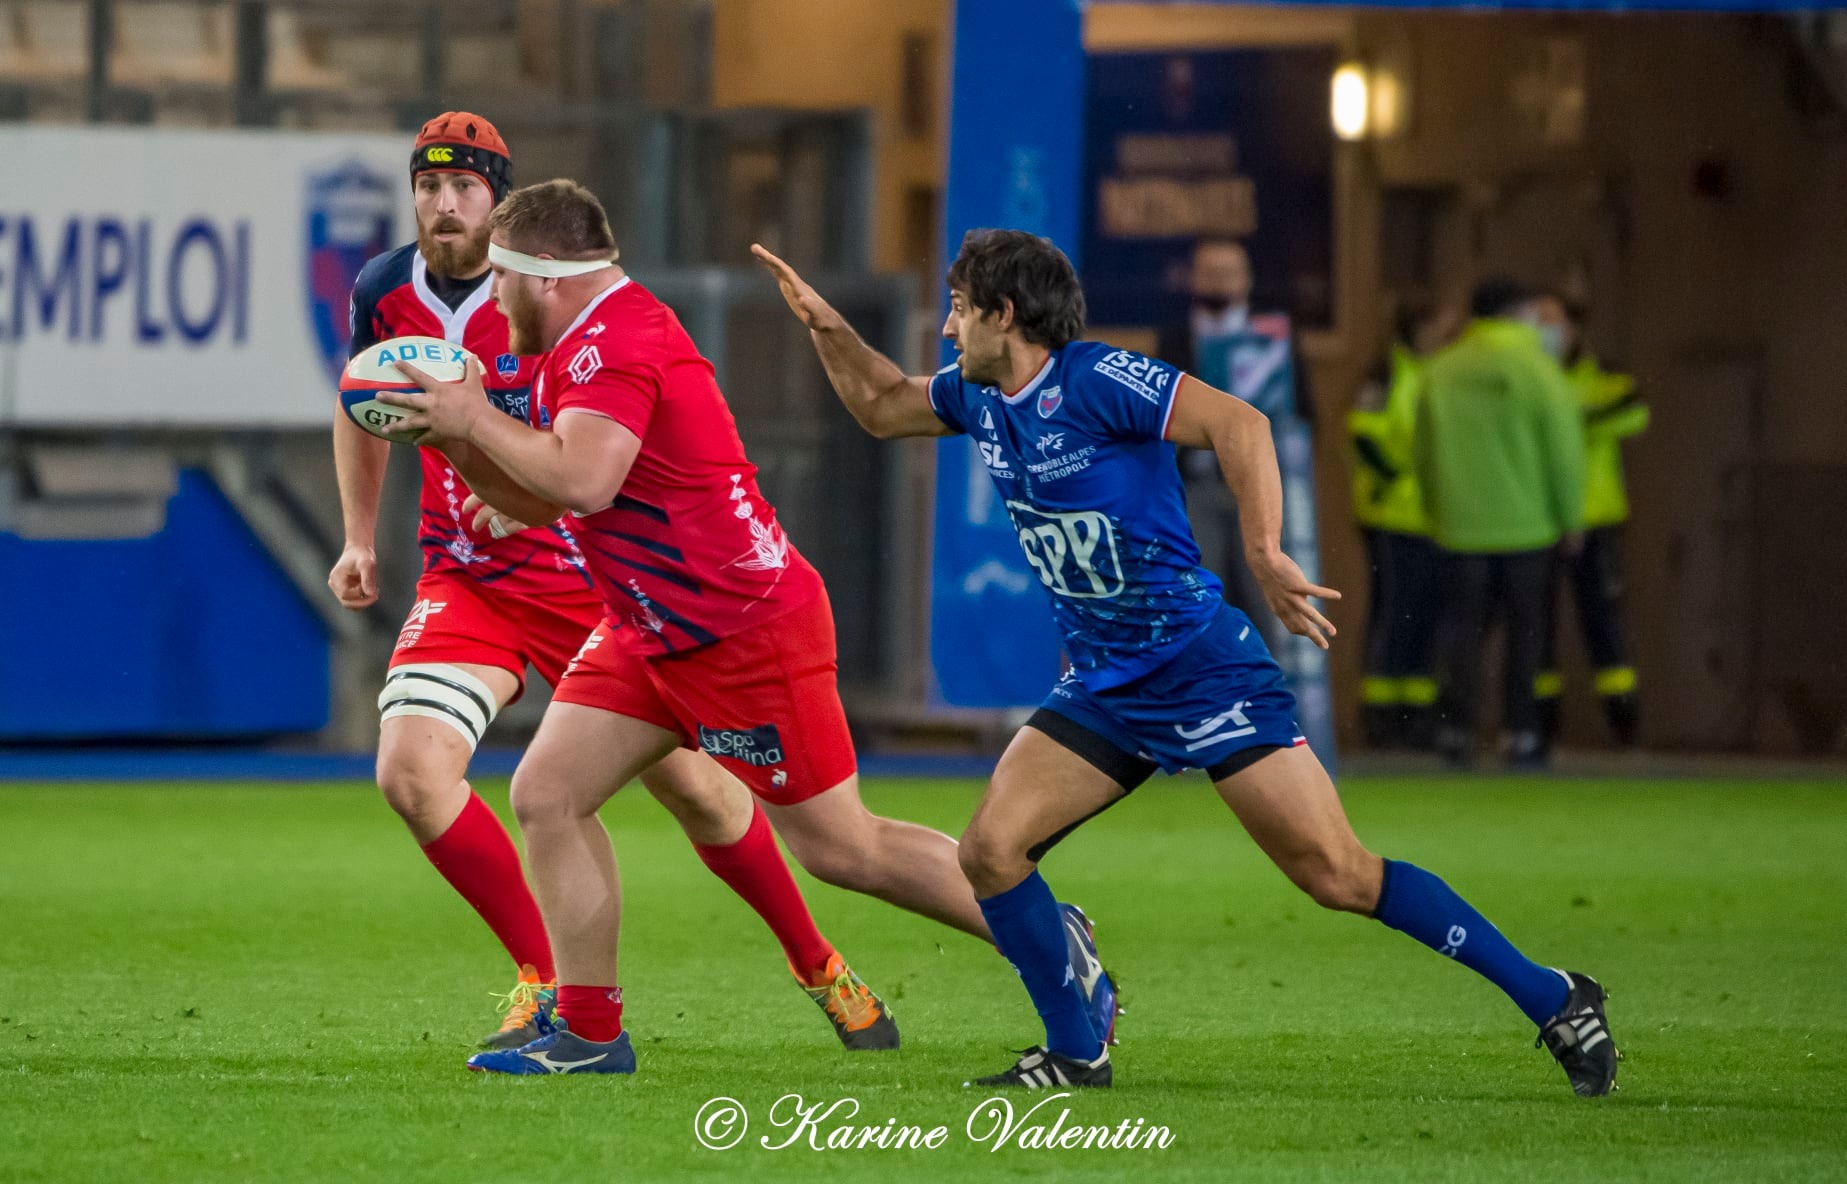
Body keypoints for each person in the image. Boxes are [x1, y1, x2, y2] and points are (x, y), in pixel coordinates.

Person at [755, 229, 1618, 1097]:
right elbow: (879, 405)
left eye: (956, 308)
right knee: (990, 852)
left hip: (1200, 669)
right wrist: (829, 329)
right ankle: (1074, 1051)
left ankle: (1556, 999)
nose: (946, 330)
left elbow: (1238, 422)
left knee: (1336, 874)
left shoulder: (1096, 378)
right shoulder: (980, 397)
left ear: (1003, 313)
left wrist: (1266, 551)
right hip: (1103, 682)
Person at [378, 183, 1115, 1076]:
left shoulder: (616, 340)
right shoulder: (566, 341)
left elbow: (584, 482)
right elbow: (541, 493)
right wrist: (455, 443)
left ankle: (1048, 934)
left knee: (843, 849)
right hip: (648, 627)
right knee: (548, 795)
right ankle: (589, 1035)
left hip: (740, 631)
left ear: (545, 278)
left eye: (500, 280)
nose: (489, 299)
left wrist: (471, 418)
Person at [331, 115, 894, 1056]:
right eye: (427, 186)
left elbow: (590, 460)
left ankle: (818, 963)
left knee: (709, 800)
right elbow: (359, 402)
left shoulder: (562, 306)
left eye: (465, 186)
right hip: (466, 580)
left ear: (502, 203)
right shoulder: (387, 289)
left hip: (594, 588)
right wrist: (358, 536)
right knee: (412, 775)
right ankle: (545, 985)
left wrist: (526, 497)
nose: (443, 203)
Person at [1414, 279, 1587, 770]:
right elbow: (1564, 452)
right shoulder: (1539, 371)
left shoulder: (1441, 369)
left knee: (1463, 633)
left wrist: (1434, 509)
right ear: (1522, 313)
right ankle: (1522, 733)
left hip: (1459, 525)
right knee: (1527, 636)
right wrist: (1570, 517)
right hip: (1528, 527)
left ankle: (1456, 730)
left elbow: (1422, 450)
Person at [1157, 238, 1306, 659]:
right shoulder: (1176, 337)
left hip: (1260, 487)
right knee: (1199, 595)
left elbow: (1303, 411)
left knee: (1268, 598)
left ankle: (1271, 708)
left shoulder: (1273, 340)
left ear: (1247, 280)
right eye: (1210, 273)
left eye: (1229, 273)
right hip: (1198, 487)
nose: (1219, 282)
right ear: (1193, 279)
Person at [1529, 297, 1647, 746]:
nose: (1546, 332)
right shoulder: (1531, 377)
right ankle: (1540, 722)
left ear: (1576, 329)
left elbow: (1634, 411)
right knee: (1538, 622)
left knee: (1603, 618)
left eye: (1554, 324)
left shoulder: (1604, 377)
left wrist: (1566, 420)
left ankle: (1624, 717)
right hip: (1539, 520)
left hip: (1596, 518)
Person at [1348, 299, 1456, 748]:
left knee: (1429, 617)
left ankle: (1420, 717)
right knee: (1395, 614)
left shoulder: (1447, 372)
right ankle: (1381, 717)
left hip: (1439, 517)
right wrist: (1394, 479)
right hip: (1392, 517)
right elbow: (1363, 434)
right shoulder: (1386, 375)